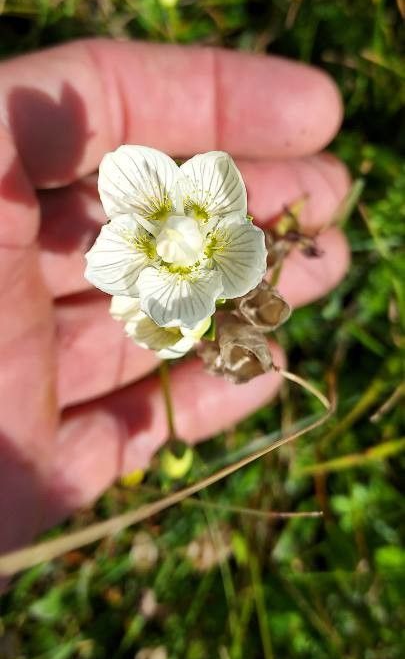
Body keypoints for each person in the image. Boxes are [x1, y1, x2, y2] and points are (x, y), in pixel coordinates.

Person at [0, 39, 350, 556]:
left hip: (209, 268)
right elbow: (123, 204)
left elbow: (237, 237)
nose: (175, 236)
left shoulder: (229, 240)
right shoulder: (151, 254)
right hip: (176, 285)